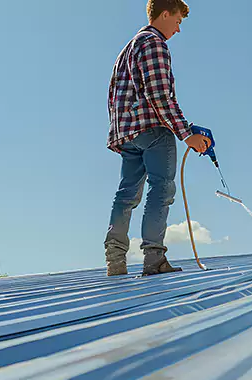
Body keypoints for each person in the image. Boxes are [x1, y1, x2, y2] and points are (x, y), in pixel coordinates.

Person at [105, 0, 211, 276]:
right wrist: (187, 135)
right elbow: (160, 96)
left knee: (126, 194)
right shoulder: (154, 44)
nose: (178, 29)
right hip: (153, 130)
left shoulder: (127, 49)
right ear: (164, 14)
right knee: (161, 188)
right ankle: (153, 259)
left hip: (127, 132)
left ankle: (115, 261)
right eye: (177, 21)